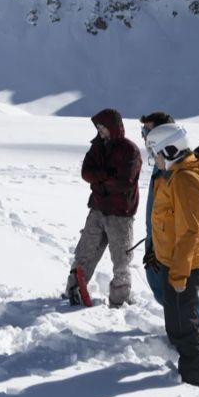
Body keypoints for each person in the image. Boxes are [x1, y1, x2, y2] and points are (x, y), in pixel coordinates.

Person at [145, 123, 199, 386]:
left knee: (183, 323)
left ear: (171, 149)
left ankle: (196, 376)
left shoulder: (187, 179)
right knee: (176, 320)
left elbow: (189, 231)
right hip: (172, 259)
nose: (154, 158)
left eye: (156, 152)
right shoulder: (176, 173)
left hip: (186, 261)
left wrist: (178, 272)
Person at [140, 113, 199, 338]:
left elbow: (188, 227)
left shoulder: (176, 171)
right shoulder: (160, 164)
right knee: (166, 296)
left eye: (148, 132)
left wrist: (179, 269)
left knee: (184, 301)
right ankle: (183, 332)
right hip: (160, 243)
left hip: (177, 251)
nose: (144, 137)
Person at [65, 108, 142, 307]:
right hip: (98, 208)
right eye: (98, 127)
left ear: (114, 127)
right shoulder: (97, 147)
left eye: (103, 127)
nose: (100, 130)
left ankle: (120, 298)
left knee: (121, 258)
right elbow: (86, 173)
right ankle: (73, 288)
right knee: (85, 251)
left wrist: (100, 181)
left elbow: (124, 182)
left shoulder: (130, 150)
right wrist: (107, 176)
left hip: (120, 213)